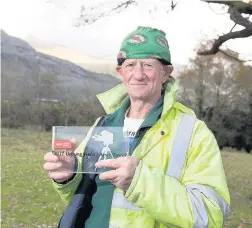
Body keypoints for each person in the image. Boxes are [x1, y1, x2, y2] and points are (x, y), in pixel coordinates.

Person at [43, 26, 230, 228]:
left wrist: (139, 181)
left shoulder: (194, 132)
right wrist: (68, 176)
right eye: (130, 65)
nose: (138, 74)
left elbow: (210, 215)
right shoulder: (103, 124)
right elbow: (81, 196)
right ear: (120, 72)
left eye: (148, 65)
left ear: (166, 73)